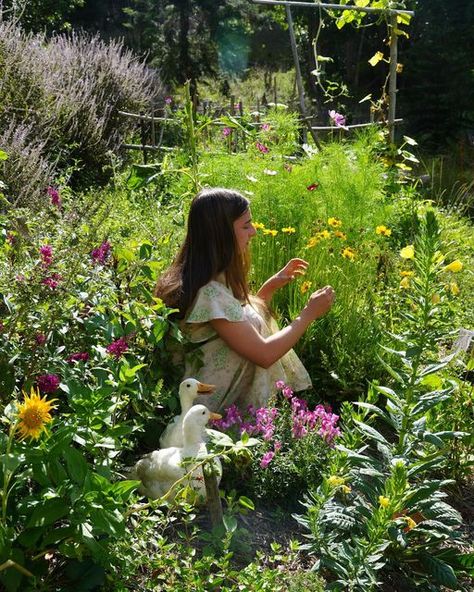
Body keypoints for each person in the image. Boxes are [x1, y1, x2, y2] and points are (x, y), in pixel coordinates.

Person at [155, 187, 335, 412]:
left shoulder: (206, 279)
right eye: (246, 225)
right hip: (204, 410)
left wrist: (268, 288)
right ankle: (244, 423)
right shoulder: (209, 292)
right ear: (221, 233)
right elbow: (263, 354)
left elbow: (239, 324)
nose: (254, 232)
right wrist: (308, 314)